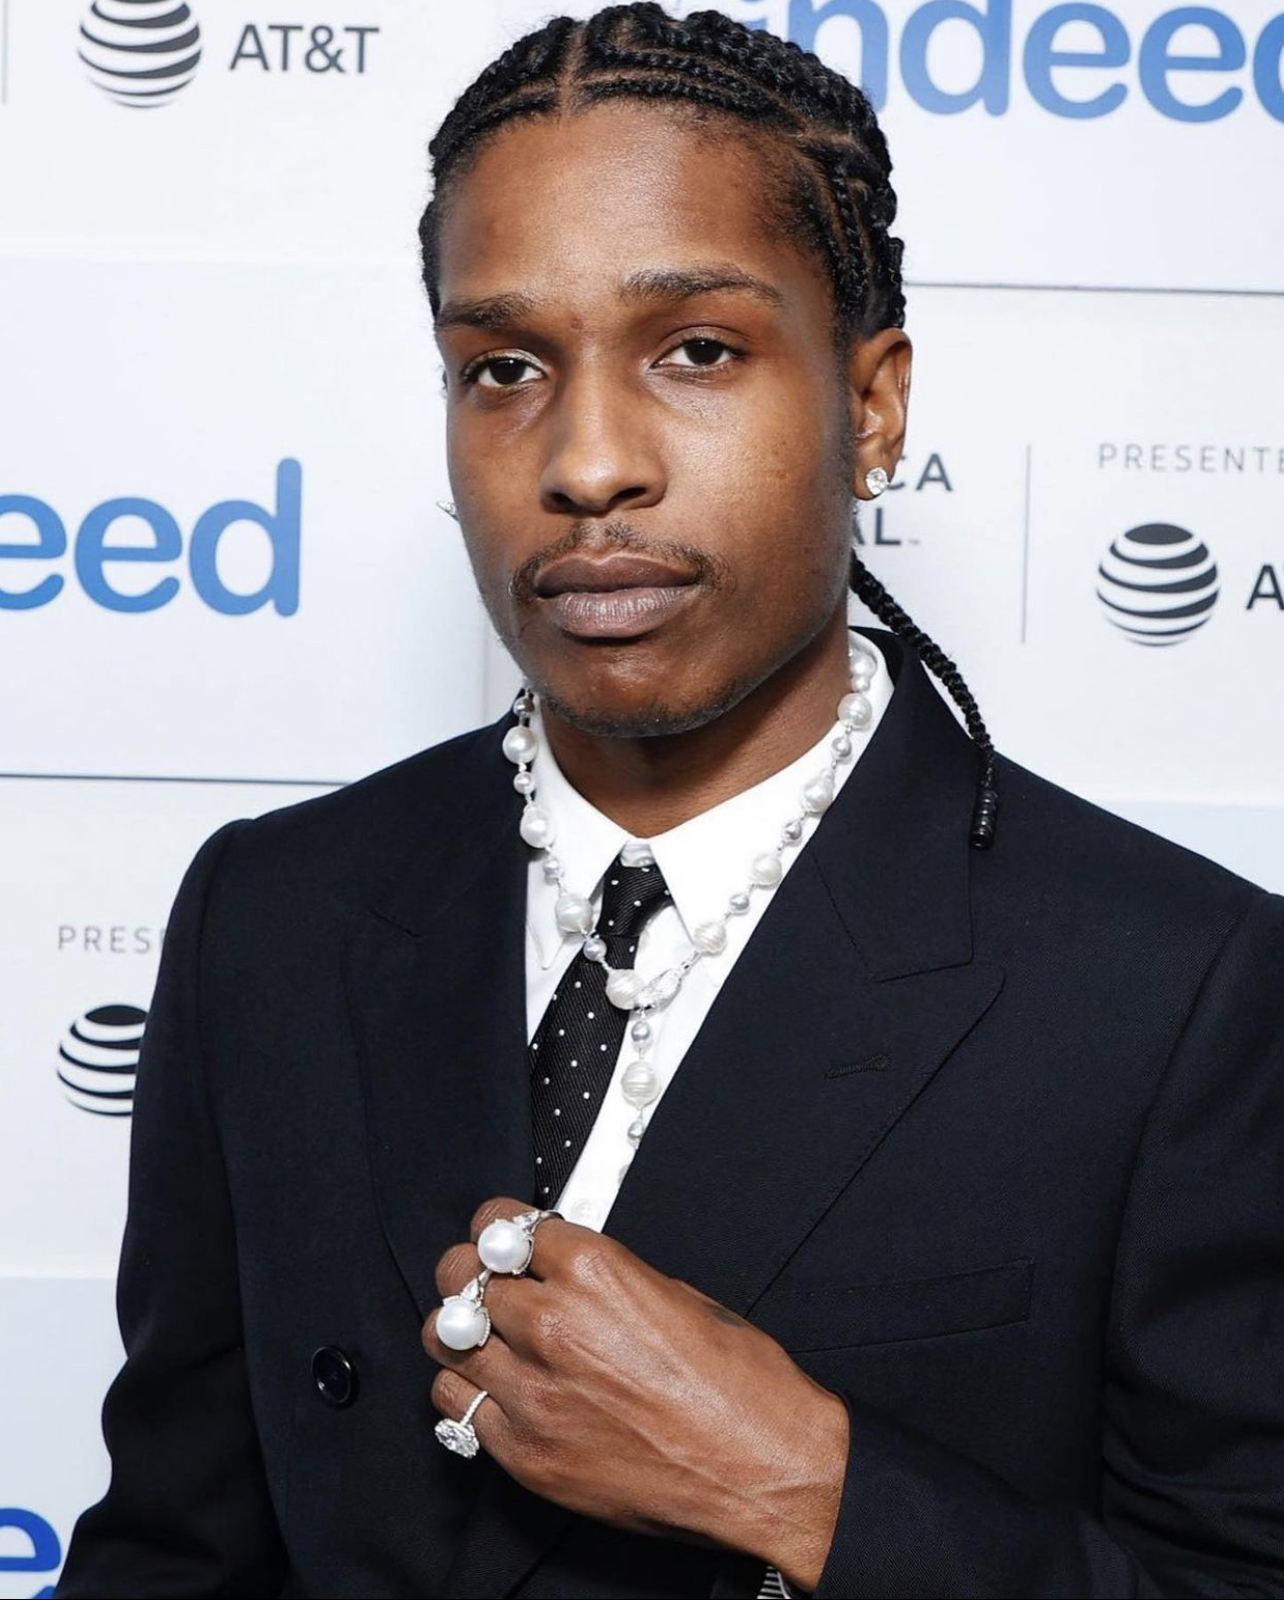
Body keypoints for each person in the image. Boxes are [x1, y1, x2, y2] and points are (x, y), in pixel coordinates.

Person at [56, 6, 1284, 1598]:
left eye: (697, 349)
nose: (588, 462)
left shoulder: (1173, 990)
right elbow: (172, 1550)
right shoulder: (275, 913)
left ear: (873, 407)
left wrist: (807, 1486)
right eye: (504, 368)